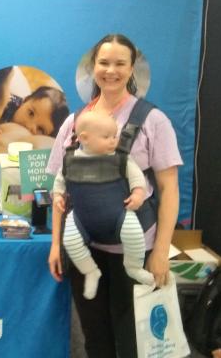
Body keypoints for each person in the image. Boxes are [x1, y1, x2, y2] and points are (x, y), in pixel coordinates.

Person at [47, 33, 182, 357]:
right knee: (95, 338)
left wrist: (161, 251)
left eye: (120, 63)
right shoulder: (74, 123)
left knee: (134, 340)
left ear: (132, 67)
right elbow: (59, 189)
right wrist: (55, 243)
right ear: (92, 67)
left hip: (135, 247)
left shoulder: (153, 120)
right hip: (87, 247)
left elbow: (169, 189)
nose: (111, 70)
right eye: (104, 63)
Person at [52, 111, 152, 301]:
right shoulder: (70, 160)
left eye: (115, 136)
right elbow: (59, 183)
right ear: (84, 138)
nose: (113, 141)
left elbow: (137, 179)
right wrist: (58, 197)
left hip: (119, 216)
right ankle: (90, 271)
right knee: (71, 242)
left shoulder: (121, 158)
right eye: (107, 137)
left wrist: (138, 194)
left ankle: (134, 267)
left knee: (135, 235)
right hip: (81, 218)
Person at [0, 67, 64, 160]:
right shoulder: (6, 104)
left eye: (41, 129)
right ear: (24, 102)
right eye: (31, 113)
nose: (29, 125)